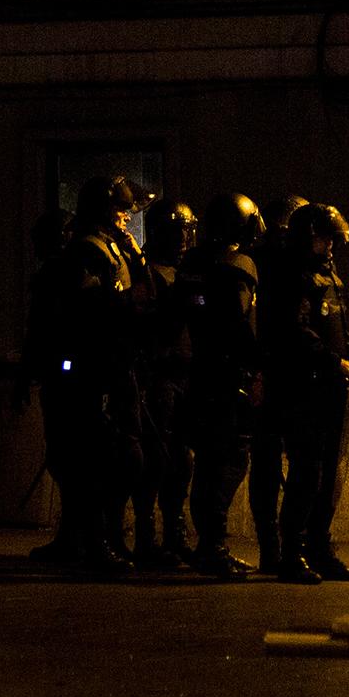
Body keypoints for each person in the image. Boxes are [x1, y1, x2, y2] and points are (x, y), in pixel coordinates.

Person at [53, 175, 155, 577]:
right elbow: (87, 308)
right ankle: (95, 542)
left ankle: (109, 537)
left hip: (118, 364)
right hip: (95, 368)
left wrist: (136, 258)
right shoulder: (85, 250)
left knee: (126, 456)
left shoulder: (116, 248)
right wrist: (128, 300)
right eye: (122, 210)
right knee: (99, 458)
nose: (128, 218)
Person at [260, 201, 349, 584]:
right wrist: (335, 362)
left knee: (327, 473)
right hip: (302, 389)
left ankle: (319, 547)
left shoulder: (328, 274)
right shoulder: (292, 276)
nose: (332, 246)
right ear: (308, 237)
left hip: (331, 389)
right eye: (325, 238)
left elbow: (339, 325)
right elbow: (294, 332)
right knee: (307, 473)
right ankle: (292, 552)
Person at [177, 193, 266, 579]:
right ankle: (214, 546)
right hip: (229, 378)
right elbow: (241, 325)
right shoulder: (239, 266)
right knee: (231, 459)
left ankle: (205, 545)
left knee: (206, 463)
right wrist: (258, 366)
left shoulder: (193, 262)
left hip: (199, 371)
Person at [131, 198, 196, 568]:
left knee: (181, 461)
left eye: (189, 231)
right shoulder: (149, 273)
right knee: (156, 459)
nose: (185, 239)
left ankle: (176, 533)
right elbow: (144, 325)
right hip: (159, 377)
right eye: (178, 231)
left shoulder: (187, 272)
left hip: (185, 375)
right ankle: (146, 535)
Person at [247, 194, 307, 573]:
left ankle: (277, 546)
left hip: (281, 374)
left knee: (275, 465)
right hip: (276, 374)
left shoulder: (270, 263)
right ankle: (278, 547)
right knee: (273, 465)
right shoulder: (270, 265)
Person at [21, 207, 79, 563]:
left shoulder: (58, 276)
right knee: (65, 457)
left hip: (66, 379)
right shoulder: (62, 274)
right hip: (63, 376)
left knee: (67, 457)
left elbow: (42, 329)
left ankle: (74, 536)